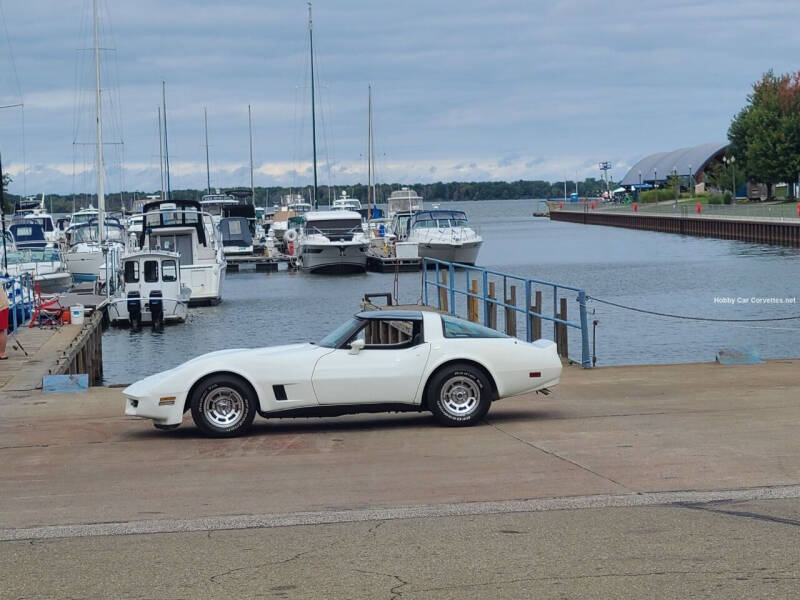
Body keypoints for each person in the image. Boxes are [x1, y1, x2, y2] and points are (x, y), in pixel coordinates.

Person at [0, 283, 8, 359]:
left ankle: (2, 353)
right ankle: (2, 353)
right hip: (3, 306)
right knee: (1, 330)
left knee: (1, 331)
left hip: (1, 307)